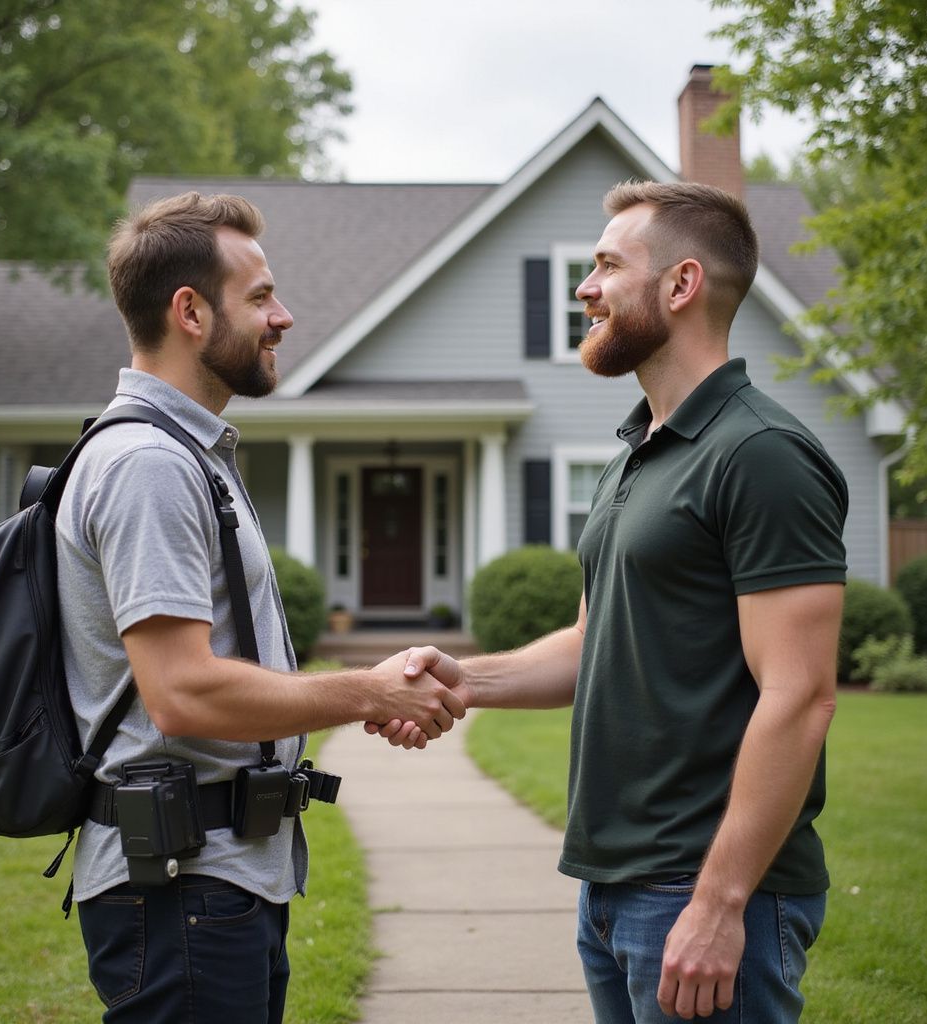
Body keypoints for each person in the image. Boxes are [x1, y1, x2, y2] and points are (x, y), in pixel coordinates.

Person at [375, 180, 848, 1022]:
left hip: (701, 890)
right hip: (613, 887)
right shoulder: (637, 453)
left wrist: (720, 902)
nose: (584, 288)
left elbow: (801, 694)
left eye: (604, 266)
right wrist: (466, 679)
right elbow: (597, 641)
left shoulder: (761, 455)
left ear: (681, 285)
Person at [56, 191, 465, 1024]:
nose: (285, 316)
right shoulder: (149, 466)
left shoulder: (186, 455)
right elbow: (183, 692)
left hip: (212, 883)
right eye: (261, 297)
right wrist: (370, 691)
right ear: (191, 313)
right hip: (180, 890)